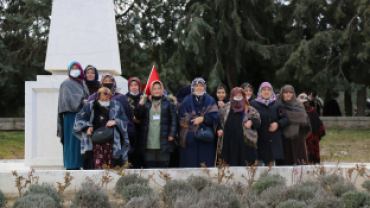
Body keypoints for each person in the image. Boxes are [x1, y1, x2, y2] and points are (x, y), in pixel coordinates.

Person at [73, 87, 130, 169]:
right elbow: (78, 119)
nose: (104, 102)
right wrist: (87, 127)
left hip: (112, 143)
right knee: (95, 168)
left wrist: (115, 122)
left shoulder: (117, 106)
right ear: (98, 98)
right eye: (102, 100)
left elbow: (125, 121)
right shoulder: (90, 106)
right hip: (95, 143)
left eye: (107, 100)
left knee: (112, 169)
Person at [87, 74, 134, 167]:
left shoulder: (121, 98)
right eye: (105, 81)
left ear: (114, 82)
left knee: (114, 167)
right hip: (98, 140)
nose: (108, 83)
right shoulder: (92, 98)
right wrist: (88, 127)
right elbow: (86, 117)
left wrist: (116, 122)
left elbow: (127, 120)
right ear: (101, 82)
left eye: (110, 81)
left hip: (115, 140)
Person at [178, 78, 219, 168]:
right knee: (189, 165)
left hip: (206, 139)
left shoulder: (210, 100)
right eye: (197, 86)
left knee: (206, 165)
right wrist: (194, 120)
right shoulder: (187, 100)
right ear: (193, 87)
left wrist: (203, 119)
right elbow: (181, 117)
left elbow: (215, 117)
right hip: (189, 139)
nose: (199, 88)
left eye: (201, 86)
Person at [135, 81, 177, 168]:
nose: (157, 90)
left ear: (162, 89)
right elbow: (138, 116)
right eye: (154, 89)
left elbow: (174, 119)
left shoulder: (168, 102)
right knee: (151, 170)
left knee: (163, 171)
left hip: (164, 142)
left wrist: (172, 134)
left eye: (159, 88)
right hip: (149, 143)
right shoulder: (146, 102)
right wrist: (140, 105)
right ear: (151, 90)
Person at [57, 61, 90, 170]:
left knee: (81, 141)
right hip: (71, 116)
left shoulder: (83, 83)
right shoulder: (66, 83)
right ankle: (71, 166)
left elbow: (88, 97)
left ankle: (81, 164)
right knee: (72, 141)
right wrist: (82, 101)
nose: (75, 70)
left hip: (82, 116)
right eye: (73, 68)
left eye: (77, 68)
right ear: (69, 70)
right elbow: (68, 100)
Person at [217, 87, 261, 166]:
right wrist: (219, 129)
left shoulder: (248, 108)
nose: (238, 97)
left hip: (245, 143)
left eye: (240, 95)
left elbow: (258, 121)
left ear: (243, 96)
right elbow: (219, 121)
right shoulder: (225, 108)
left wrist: (251, 122)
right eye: (236, 95)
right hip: (228, 142)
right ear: (232, 96)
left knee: (245, 165)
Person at [250, 82, 288, 166]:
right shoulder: (253, 104)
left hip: (273, 140)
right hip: (259, 140)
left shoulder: (277, 104)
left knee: (270, 167)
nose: (266, 92)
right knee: (258, 166)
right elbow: (248, 118)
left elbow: (285, 118)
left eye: (268, 90)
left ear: (272, 92)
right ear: (260, 91)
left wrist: (277, 124)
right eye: (264, 90)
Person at [276, 85, 311, 165]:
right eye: (286, 92)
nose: (288, 94)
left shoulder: (298, 104)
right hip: (283, 137)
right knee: (285, 161)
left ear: (293, 94)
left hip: (297, 137)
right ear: (282, 94)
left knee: (298, 160)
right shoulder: (277, 104)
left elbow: (304, 119)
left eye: (290, 92)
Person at [299, 93, 326, 164]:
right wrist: (318, 136)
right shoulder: (313, 111)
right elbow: (320, 126)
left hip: (301, 140)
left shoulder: (296, 112)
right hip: (313, 141)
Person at [125, 77, 145, 168]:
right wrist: (132, 118)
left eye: (135, 85)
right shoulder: (125, 98)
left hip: (142, 129)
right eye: (131, 85)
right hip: (130, 130)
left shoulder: (144, 98)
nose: (133, 87)